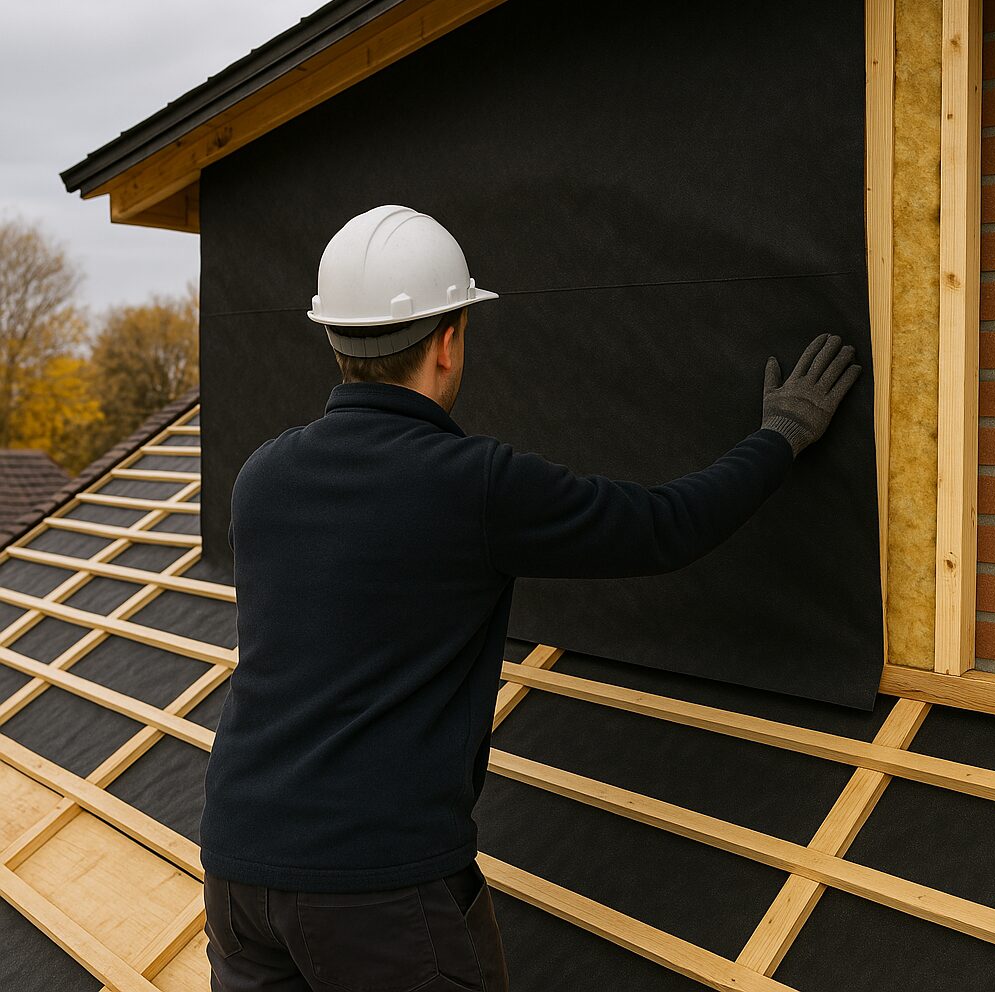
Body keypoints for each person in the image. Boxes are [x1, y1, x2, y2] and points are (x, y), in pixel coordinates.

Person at [199, 205, 861, 992]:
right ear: (448, 343)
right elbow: (664, 528)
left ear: (335, 336)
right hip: (376, 886)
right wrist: (780, 435)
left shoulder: (261, 477)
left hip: (237, 868)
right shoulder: (473, 484)